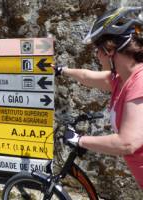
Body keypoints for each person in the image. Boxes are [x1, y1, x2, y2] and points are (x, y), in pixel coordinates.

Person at [54, 7, 143, 189]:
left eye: (98, 49)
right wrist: (61, 70)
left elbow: (127, 142)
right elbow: (87, 77)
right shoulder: (121, 79)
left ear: (109, 50)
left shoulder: (140, 82)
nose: (96, 55)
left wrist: (79, 140)